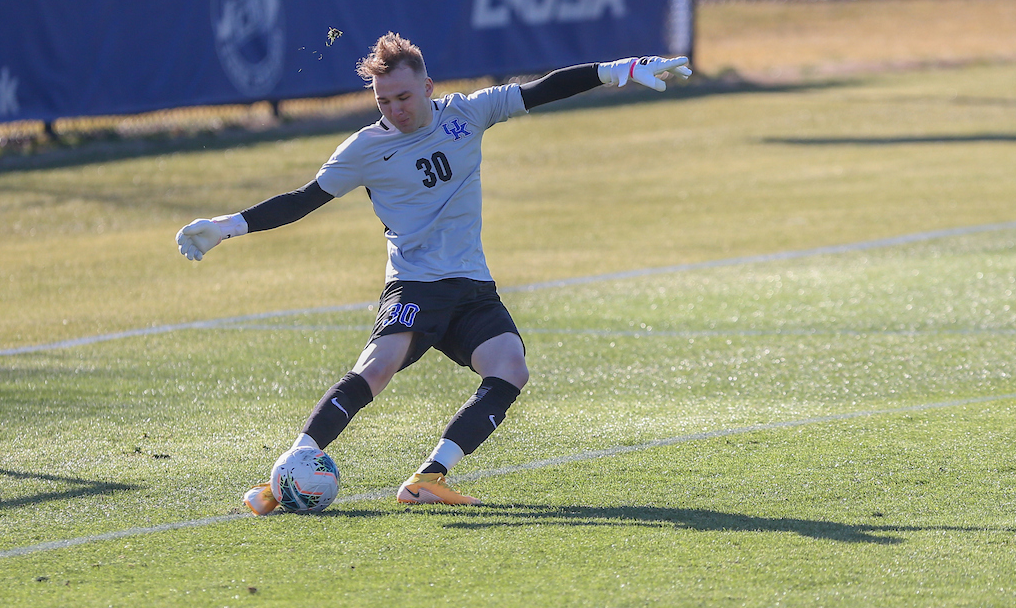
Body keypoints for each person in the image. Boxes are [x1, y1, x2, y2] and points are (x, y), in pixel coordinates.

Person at [176, 32, 690, 512]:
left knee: (511, 368)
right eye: (383, 101)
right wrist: (228, 226)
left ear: (427, 86)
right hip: (414, 283)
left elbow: (543, 89)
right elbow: (301, 201)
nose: (395, 109)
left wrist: (618, 70)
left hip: (472, 286)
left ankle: (429, 478)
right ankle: (285, 474)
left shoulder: (470, 112)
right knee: (376, 369)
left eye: (403, 97)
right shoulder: (363, 150)